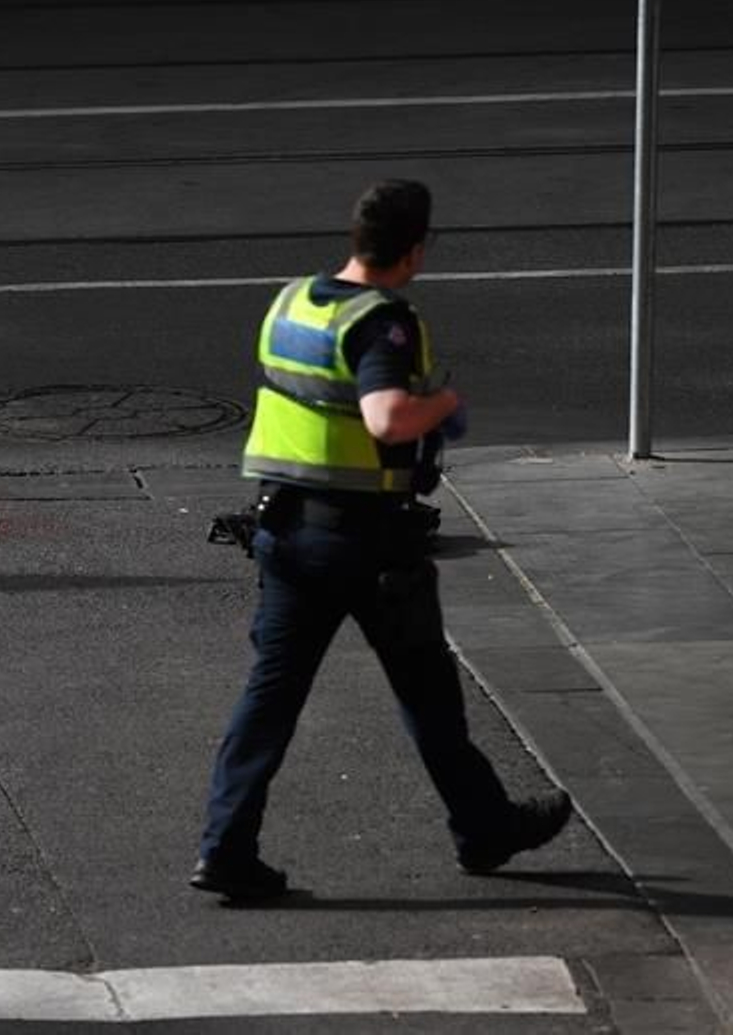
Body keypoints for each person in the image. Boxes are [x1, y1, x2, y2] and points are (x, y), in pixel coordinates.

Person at [191, 180, 572, 902]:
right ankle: (485, 828)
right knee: (427, 694)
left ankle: (225, 847)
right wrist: (446, 404)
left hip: (283, 529)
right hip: (367, 544)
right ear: (416, 249)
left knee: (269, 698)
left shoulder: (295, 300)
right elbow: (387, 418)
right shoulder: (382, 323)